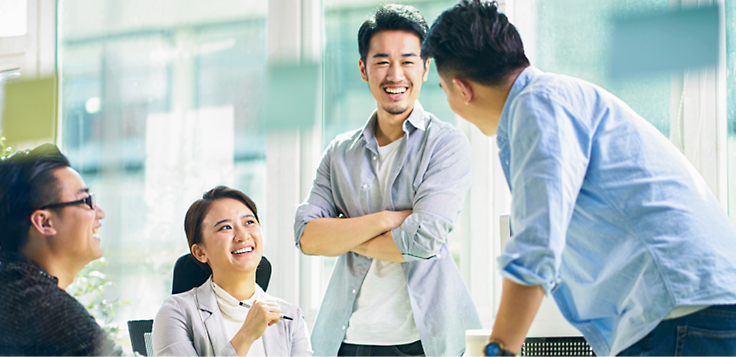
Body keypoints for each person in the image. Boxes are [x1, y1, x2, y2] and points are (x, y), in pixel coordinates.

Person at [422, 1, 736, 356]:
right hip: (693, 308)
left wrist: (499, 350)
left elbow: (536, 245)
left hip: (682, 313)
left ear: (462, 89)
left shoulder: (536, 105)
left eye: (443, 89)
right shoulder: (557, 98)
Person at [294, 4, 482, 357]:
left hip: (423, 341)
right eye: (382, 61)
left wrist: (346, 234)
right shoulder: (339, 153)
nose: (395, 74)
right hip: (344, 340)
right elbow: (307, 237)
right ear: (364, 69)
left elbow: (423, 239)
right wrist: (386, 220)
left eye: (408, 61)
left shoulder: (446, 144)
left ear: (426, 68)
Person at [0, 144, 123, 356]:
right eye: (86, 201)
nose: (99, 214)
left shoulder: (9, 284)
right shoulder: (44, 308)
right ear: (44, 222)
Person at [152, 186, 312, 357]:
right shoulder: (176, 313)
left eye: (249, 222)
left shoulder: (290, 317)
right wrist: (247, 334)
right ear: (200, 252)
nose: (243, 235)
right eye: (225, 227)